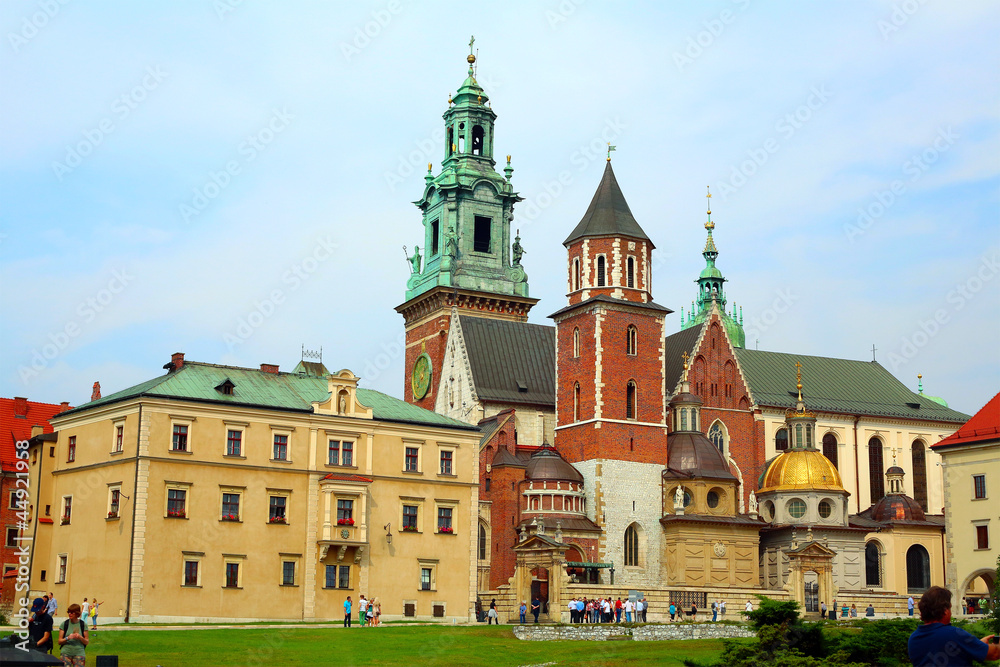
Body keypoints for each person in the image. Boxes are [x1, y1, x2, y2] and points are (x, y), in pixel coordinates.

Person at [908, 585, 999, 665]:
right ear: (945, 611)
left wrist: (977, 645)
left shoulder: (914, 638)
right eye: (950, 608)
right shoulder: (954, 634)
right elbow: (994, 654)